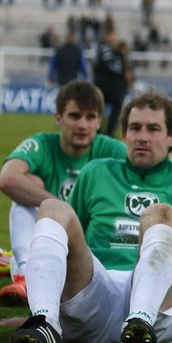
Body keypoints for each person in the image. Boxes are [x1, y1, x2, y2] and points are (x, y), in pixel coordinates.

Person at [10, 89, 172, 343]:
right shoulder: (96, 171)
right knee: (53, 209)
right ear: (124, 136)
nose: (142, 136)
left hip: (163, 310)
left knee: (161, 213)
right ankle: (44, 322)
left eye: (154, 129)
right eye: (135, 128)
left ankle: (139, 324)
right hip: (97, 298)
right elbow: (65, 245)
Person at [0, 82, 127, 307]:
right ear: (59, 118)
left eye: (90, 117)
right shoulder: (43, 144)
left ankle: (14, 262)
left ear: (99, 121)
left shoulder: (112, 150)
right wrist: (60, 208)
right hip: (50, 246)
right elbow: (8, 178)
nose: (82, 125)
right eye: (75, 116)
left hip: (89, 252)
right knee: (29, 184)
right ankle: (24, 276)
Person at [93, 25, 129, 137]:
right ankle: (105, 132)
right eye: (113, 35)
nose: (115, 38)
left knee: (104, 108)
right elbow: (111, 66)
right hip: (107, 85)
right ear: (108, 36)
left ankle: (104, 131)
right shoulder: (106, 48)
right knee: (105, 108)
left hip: (108, 85)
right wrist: (122, 73)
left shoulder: (111, 49)